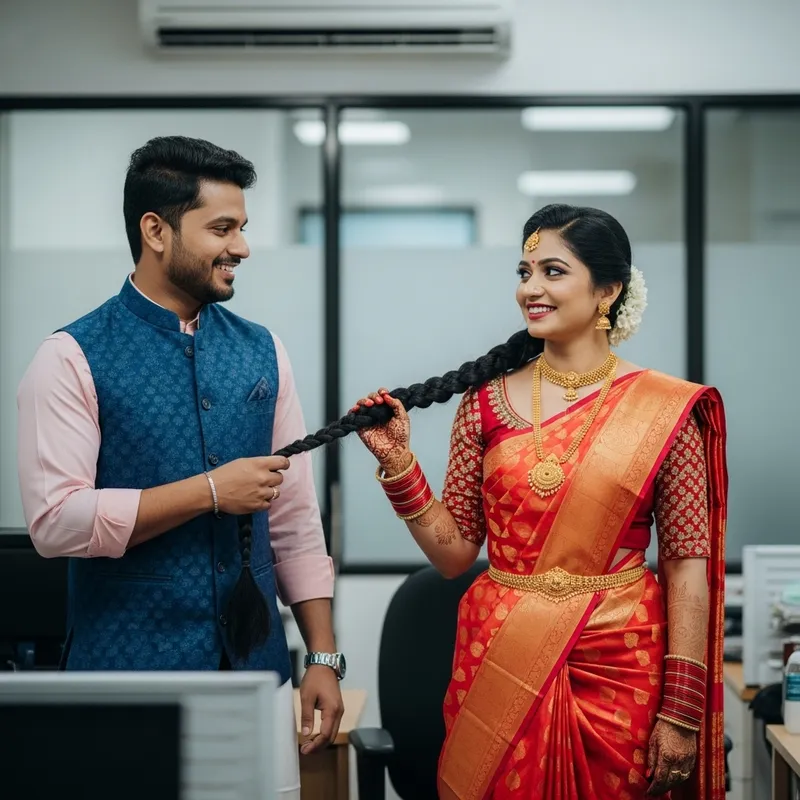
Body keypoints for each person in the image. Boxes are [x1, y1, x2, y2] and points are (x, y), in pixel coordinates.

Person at [278, 203, 726, 799]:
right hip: (501, 656)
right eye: (524, 272)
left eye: (553, 272)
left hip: (623, 667)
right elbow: (455, 555)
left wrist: (681, 709)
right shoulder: (485, 403)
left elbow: (687, 572)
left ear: (608, 290)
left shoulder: (667, 412)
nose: (531, 289)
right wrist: (399, 465)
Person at [17, 135, 345, 798]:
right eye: (222, 228)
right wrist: (210, 493)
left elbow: (294, 522)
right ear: (155, 230)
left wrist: (324, 656)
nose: (242, 247)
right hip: (123, 690)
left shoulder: (263, 351)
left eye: (243, 228)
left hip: (254, 680)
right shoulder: (69, 357)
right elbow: (56, 523)